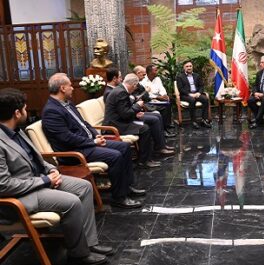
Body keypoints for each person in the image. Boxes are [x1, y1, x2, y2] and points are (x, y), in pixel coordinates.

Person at [0, 88, 112, 265]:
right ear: (16, 112)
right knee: (71, 202)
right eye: (24, 108)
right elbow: (4, 185)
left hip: (40, 180)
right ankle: (79, 254)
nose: (26, 111)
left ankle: (89, 243)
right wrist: (45, 180)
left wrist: (51, 170)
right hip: (20, 195)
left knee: (84, 187)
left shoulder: (17, 131)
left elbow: (36, 157)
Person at [41, 73, 144, 209]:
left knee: (124, 147)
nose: (72, 88)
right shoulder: (51, 111)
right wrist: (92, 142)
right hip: (74, 152)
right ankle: (119, 197)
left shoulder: (67, 104)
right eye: (70, 85)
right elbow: (66, 138)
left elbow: (84, 123)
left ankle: (127, 187)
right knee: (115, 156)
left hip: (87, 144)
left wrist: (96, 136)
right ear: (62, 88)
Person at [103, 73, 174, 168]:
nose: (135, 89)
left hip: (121, 120)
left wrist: (135, 113)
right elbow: (125, 114)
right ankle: (143, 161)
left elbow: (124, 110)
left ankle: (151, 154)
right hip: (116, 125)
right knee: (145, 128)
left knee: (149, 123)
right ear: (134, 85)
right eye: (136, 87)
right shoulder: (121, 92)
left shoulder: (121, 89)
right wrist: (137, 106)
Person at [133, 65, 176, 138]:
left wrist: (164, 95)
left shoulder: (157, 79)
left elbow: (161, 89)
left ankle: (166, 127)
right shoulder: (139, 82)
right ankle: (164, 130)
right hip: (147, 102)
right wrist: (155, 96)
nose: (144, 76)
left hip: (149, 100)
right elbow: (142, 96)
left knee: (168, 103)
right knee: (161, 110)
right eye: (143, 74)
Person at [176, 60, 212, 129]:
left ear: (192, 67)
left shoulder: (197, 75)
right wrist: (190, 94)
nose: (189, 68)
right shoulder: (180, 77)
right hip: (186, 95)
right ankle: (194, 121)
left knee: (205, 99)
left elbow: (201, 86)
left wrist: (199, 93)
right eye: (187, 66)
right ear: (184, 68)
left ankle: (204, 120)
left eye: (190, 66)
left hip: (196, 93)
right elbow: (180, 89)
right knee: (192, 100)